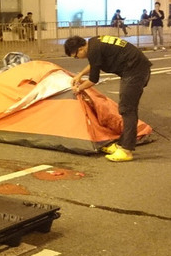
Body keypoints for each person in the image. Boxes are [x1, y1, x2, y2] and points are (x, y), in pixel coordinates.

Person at [65, 34, 152, 162]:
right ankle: (121, 144)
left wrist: (79, 89)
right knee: (127, 108)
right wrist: (80, 75)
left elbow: (93, 79)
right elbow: (95, 64)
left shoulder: (94, 50)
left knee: (127, 109)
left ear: (81, 49)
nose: (78, 58)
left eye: (76, 56)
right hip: (136, 68)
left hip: (134, 71)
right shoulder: (95, 43)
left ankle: (126, 151)